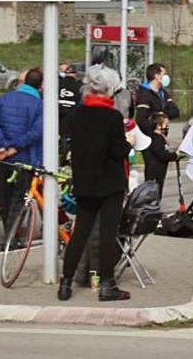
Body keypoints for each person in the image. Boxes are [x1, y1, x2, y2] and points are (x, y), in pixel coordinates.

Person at [58, 65, 132, 302]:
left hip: (84, 182)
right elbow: (117, 151)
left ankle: (65, 283)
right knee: (108, 235)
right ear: (109, 89)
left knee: (80, 232)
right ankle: (107, 285)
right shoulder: (112, 118)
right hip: (109, 183)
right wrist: (128, 142)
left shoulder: (76, 116)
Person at [0, 67, 44, 243]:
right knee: (20, 198)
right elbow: (36, 132)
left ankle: (9, 233)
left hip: (3, 158)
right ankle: (12, 237)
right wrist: (14, 147)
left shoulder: (3, 99)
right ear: (40, 86)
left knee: (5, 197)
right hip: (26, 158)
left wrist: (2, 146)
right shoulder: (39, 105)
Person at [134, 64, 180, 136]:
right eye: (164, 74)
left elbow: (175, 112)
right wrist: (154, 131)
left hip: (163, 135)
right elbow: (141, 120)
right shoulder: (144, 94)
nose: (166, 77)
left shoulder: (163, 93)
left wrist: (162, 114)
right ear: (156, 76)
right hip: (150, 136)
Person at [142, 112, 178, 192]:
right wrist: (175, 155)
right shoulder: (156, 139)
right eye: (166, 124)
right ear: (158, 126)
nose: (168, 126)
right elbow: (162, 155)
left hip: (158, 171)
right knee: (154, 193)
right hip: (155, 172)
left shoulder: (159, 137)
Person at [57, 63, 81, 165]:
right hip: (71, 115)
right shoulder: (79, 86)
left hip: (58, 114)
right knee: (67, 137)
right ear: (75, 74)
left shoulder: (58, 84)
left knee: (60, 136)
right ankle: (65, 157)